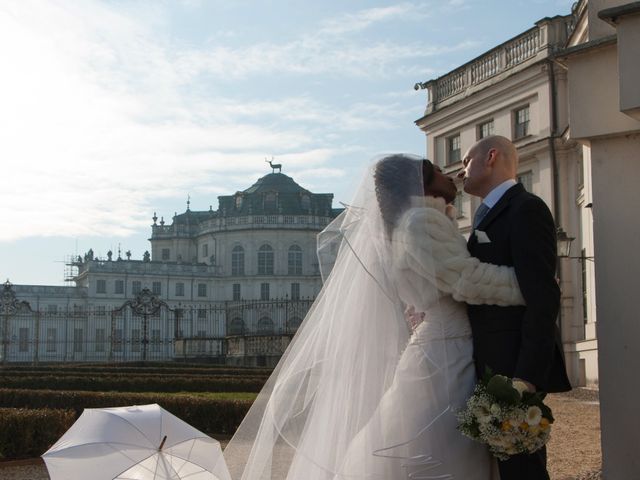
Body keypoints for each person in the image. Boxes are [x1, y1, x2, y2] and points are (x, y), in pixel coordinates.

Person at [223, 154, 524, 480]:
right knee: (442, 444)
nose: (449, 173)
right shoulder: (420, 222)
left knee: (436, 442)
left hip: (444, 342)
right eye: (437, 171)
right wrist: (525, 286)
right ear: (419, 183)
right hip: (448, 349)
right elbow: (465, 279)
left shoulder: (409, 224)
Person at [459, 136, 572, 480]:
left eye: (466, 160)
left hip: (513, 367)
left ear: (490, 157)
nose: (460, 169)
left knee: (523, 471)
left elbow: (542, 297)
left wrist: (526, 376)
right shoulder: (487, 214)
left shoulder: (526, 208)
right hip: (489, 363)